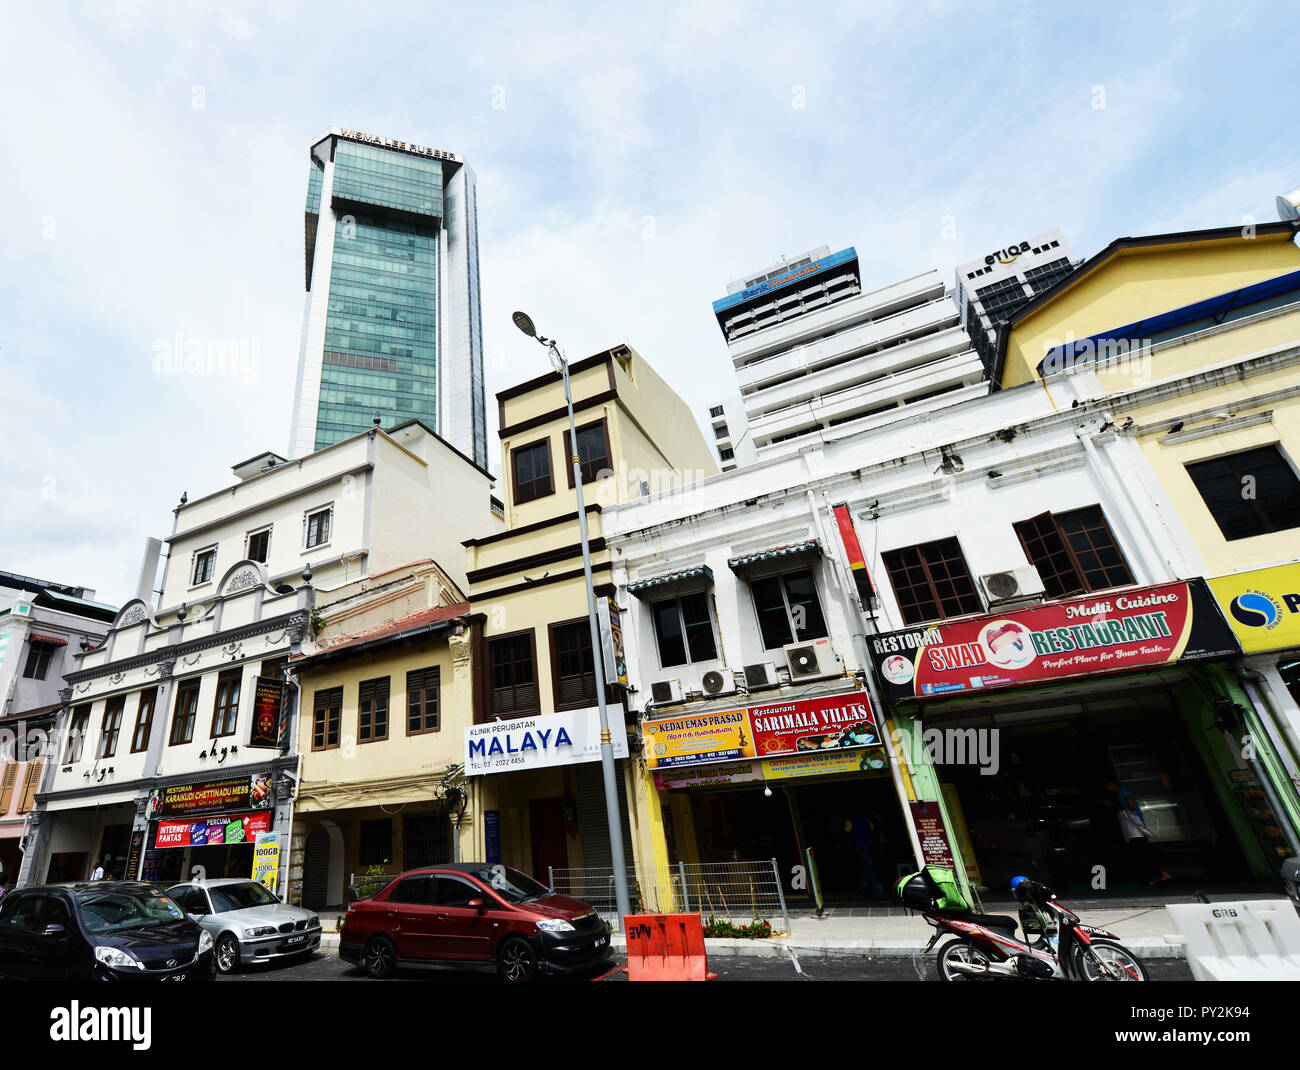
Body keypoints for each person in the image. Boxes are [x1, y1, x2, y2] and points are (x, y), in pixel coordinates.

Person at [1115, 792, 1172, 886]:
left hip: (1137, 836)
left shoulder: (1128, 811)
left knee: (1146, 857)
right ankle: (1156, 876)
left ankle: (1160, 875)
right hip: (1135, 836)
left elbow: (1130, 803)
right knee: (1144, 857)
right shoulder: (1124, 812)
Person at [845, 813, 885, 897]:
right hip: (870, 845)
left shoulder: (850, 821)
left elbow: (847, 835)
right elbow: (873, 832)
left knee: (869, 868)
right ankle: (863, 889)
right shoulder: (866, 819)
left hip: (860, 846)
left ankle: (879, 891)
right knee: (865, 867)